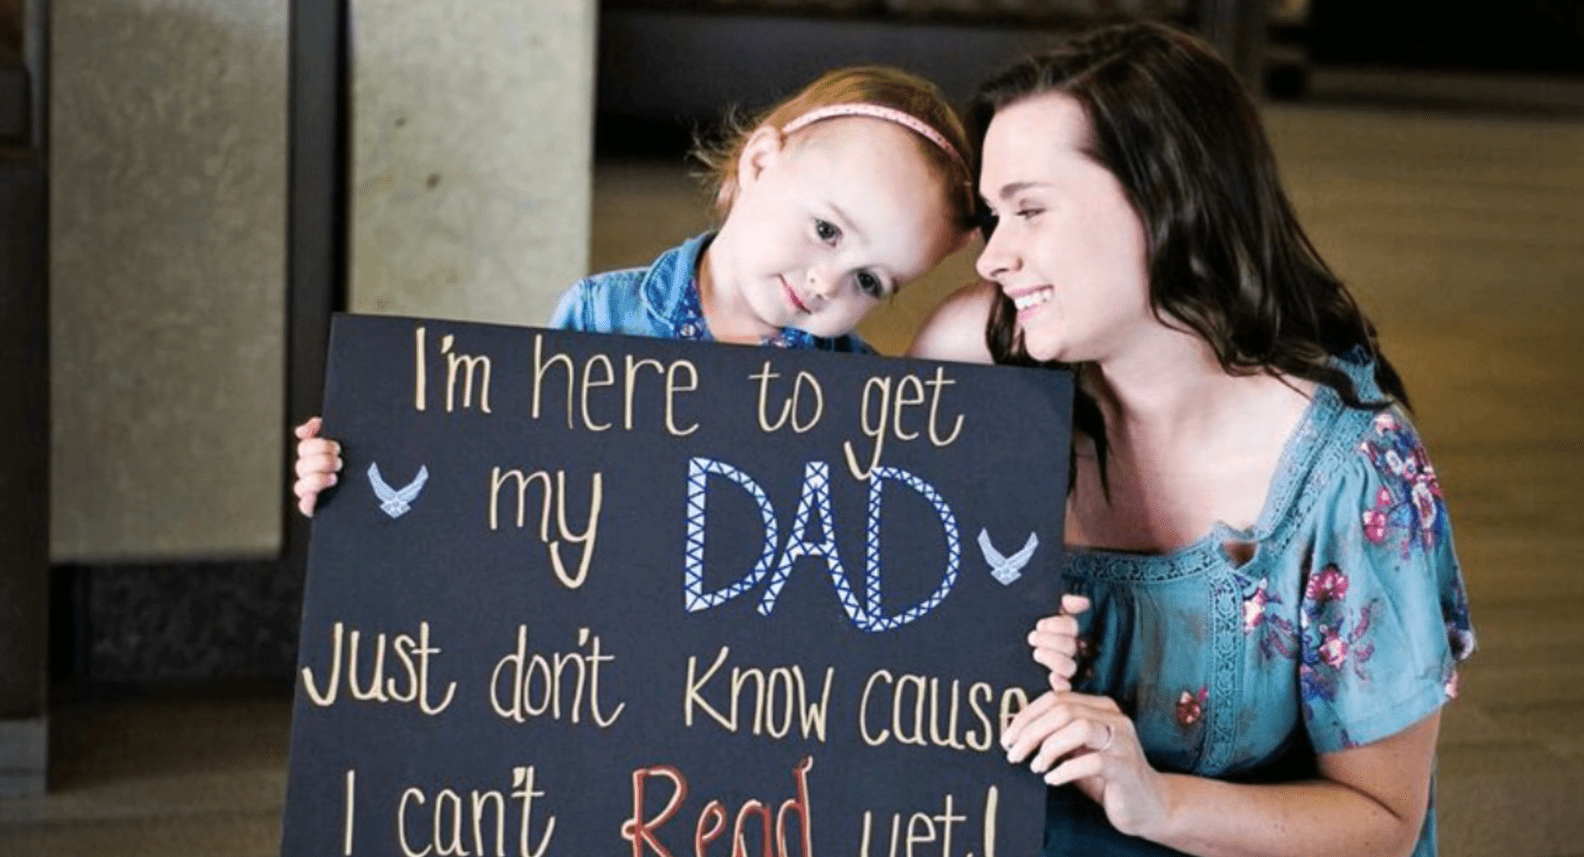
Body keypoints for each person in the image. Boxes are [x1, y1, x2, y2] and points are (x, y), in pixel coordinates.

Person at [907, 21, 1475, 857]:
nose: (993, 258)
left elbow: (1383, 823)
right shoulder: (974, 358)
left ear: (1166, 199)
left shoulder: (1353, 470)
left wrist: (1155, 801)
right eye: (994, 217)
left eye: (1029, 210)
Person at [294, 65, 977, 516]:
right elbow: (511, 474)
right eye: (826, 229)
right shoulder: (602, 316)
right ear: (760, 163)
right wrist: (361, 466)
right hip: (602, 645)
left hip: (753, 671)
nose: (826, 282)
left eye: (869, 280)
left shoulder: (856, 391)